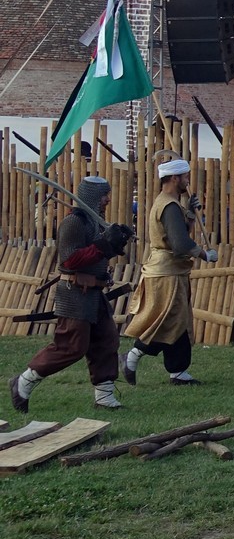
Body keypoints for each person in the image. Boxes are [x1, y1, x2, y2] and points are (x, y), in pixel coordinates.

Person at [11, 176, 135, 412]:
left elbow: (97, 255)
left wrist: (113, 244)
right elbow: (70, 260)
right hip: (75, 293)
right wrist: (103, 245)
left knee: (106, 340)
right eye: (104, 195)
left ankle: (104, 397)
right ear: (91, 196)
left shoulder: (96, 223)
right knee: (71, 346)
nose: (107, 199)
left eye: (108, 194)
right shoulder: (74, 222)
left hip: (94, 293)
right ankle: (24, 381)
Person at [123, 158, 215, 387]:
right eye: (185, 177)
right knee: (167, 320)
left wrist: (190, 214)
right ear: (174, 178)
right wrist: (205, 254)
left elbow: (178, 233)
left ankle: (178, 371)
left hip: (170, 270)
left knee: (179, 319)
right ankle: (132, 356)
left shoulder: (169, 203)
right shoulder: (169, 206)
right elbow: (180, 244)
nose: (187, 181)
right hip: (166, 273)